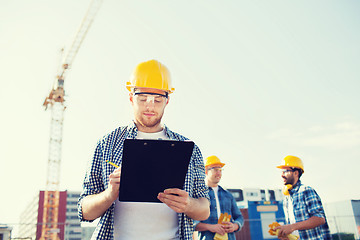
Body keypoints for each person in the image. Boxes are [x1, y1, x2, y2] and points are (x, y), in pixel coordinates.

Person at [77, 59, 210, 240]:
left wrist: (188, 205)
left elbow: (204, 210)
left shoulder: (189, 149)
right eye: (143, 99)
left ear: (167, 101)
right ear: (131, 98)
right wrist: (109, 194)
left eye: (157, 100)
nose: (150, 106)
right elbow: (85, 211)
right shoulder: (106, 144)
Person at [275, 155, 332, 240]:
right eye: (281, 171)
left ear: (296, 173)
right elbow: (295, 230)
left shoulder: (306, 191)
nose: (282, 175)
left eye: (285, 171)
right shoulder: (287, 199)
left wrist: (291, 227)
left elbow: (320, 219)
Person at [194, 155, 244, 240]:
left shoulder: (228, 195)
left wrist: (235, 226)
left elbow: (239, 217)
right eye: (215, 170)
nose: (219, 173)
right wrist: (210, 227)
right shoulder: (198, 195)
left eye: (220, 170)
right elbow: (192, 223)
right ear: (205, 171)